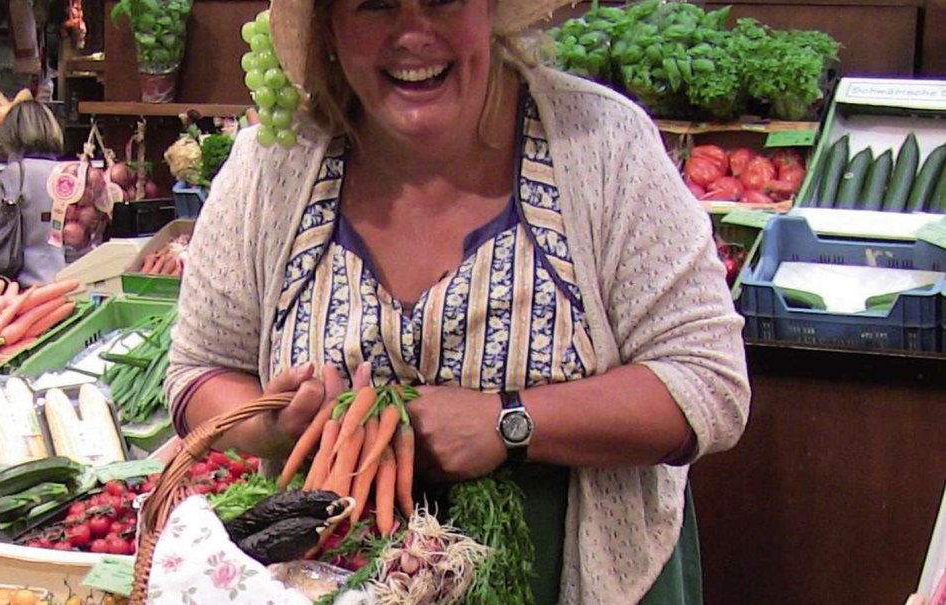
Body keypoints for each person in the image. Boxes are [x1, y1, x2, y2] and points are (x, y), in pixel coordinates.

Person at [165, 1, 751, 603]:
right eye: (375, 5)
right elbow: (197, 372)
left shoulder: (600, 144)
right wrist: (271, 424)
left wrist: (508, 422)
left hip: (566, 572)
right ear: (329, 26)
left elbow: (706, 385)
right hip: (323, 575)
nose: (413, 34)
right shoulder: (275, 162)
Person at [0, 100, 68, 286]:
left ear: (11, 133)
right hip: (66, 279)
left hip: (23, 285)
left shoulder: (16, 173)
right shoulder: (67, 174)